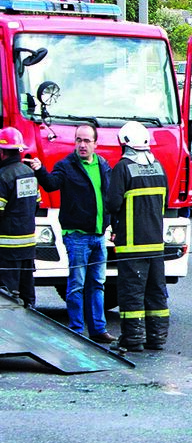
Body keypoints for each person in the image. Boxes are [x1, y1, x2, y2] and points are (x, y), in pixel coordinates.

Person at [30, 124, 115, 342]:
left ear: (96, 143)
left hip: (98, 236)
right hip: (76, 236)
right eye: (78, 140)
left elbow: (110, 199)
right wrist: (39, 169)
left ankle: (98, 329)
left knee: (97, 284)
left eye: (87, 141)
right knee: (76, 284)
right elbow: (50, 185)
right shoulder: (66, 166)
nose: (82, 145)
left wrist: (113, 225)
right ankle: (76, 329)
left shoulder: (103, 165)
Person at [106, 121, 169, 352]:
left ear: (124, 143)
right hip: (156, 244)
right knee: (156, 291)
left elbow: (113, 203)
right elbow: (166, 201)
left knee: (132, 292)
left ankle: (133, 339)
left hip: (131, 244)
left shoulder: (123, 168)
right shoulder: (159, 167)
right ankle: (157, 337)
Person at [0, 128, 38, 308]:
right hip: (28, 244)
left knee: (7, 298)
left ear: (2, 152)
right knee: (27, 293)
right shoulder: (28, 172)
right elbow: (36, 203)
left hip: (7, 247)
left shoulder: (2, 176)